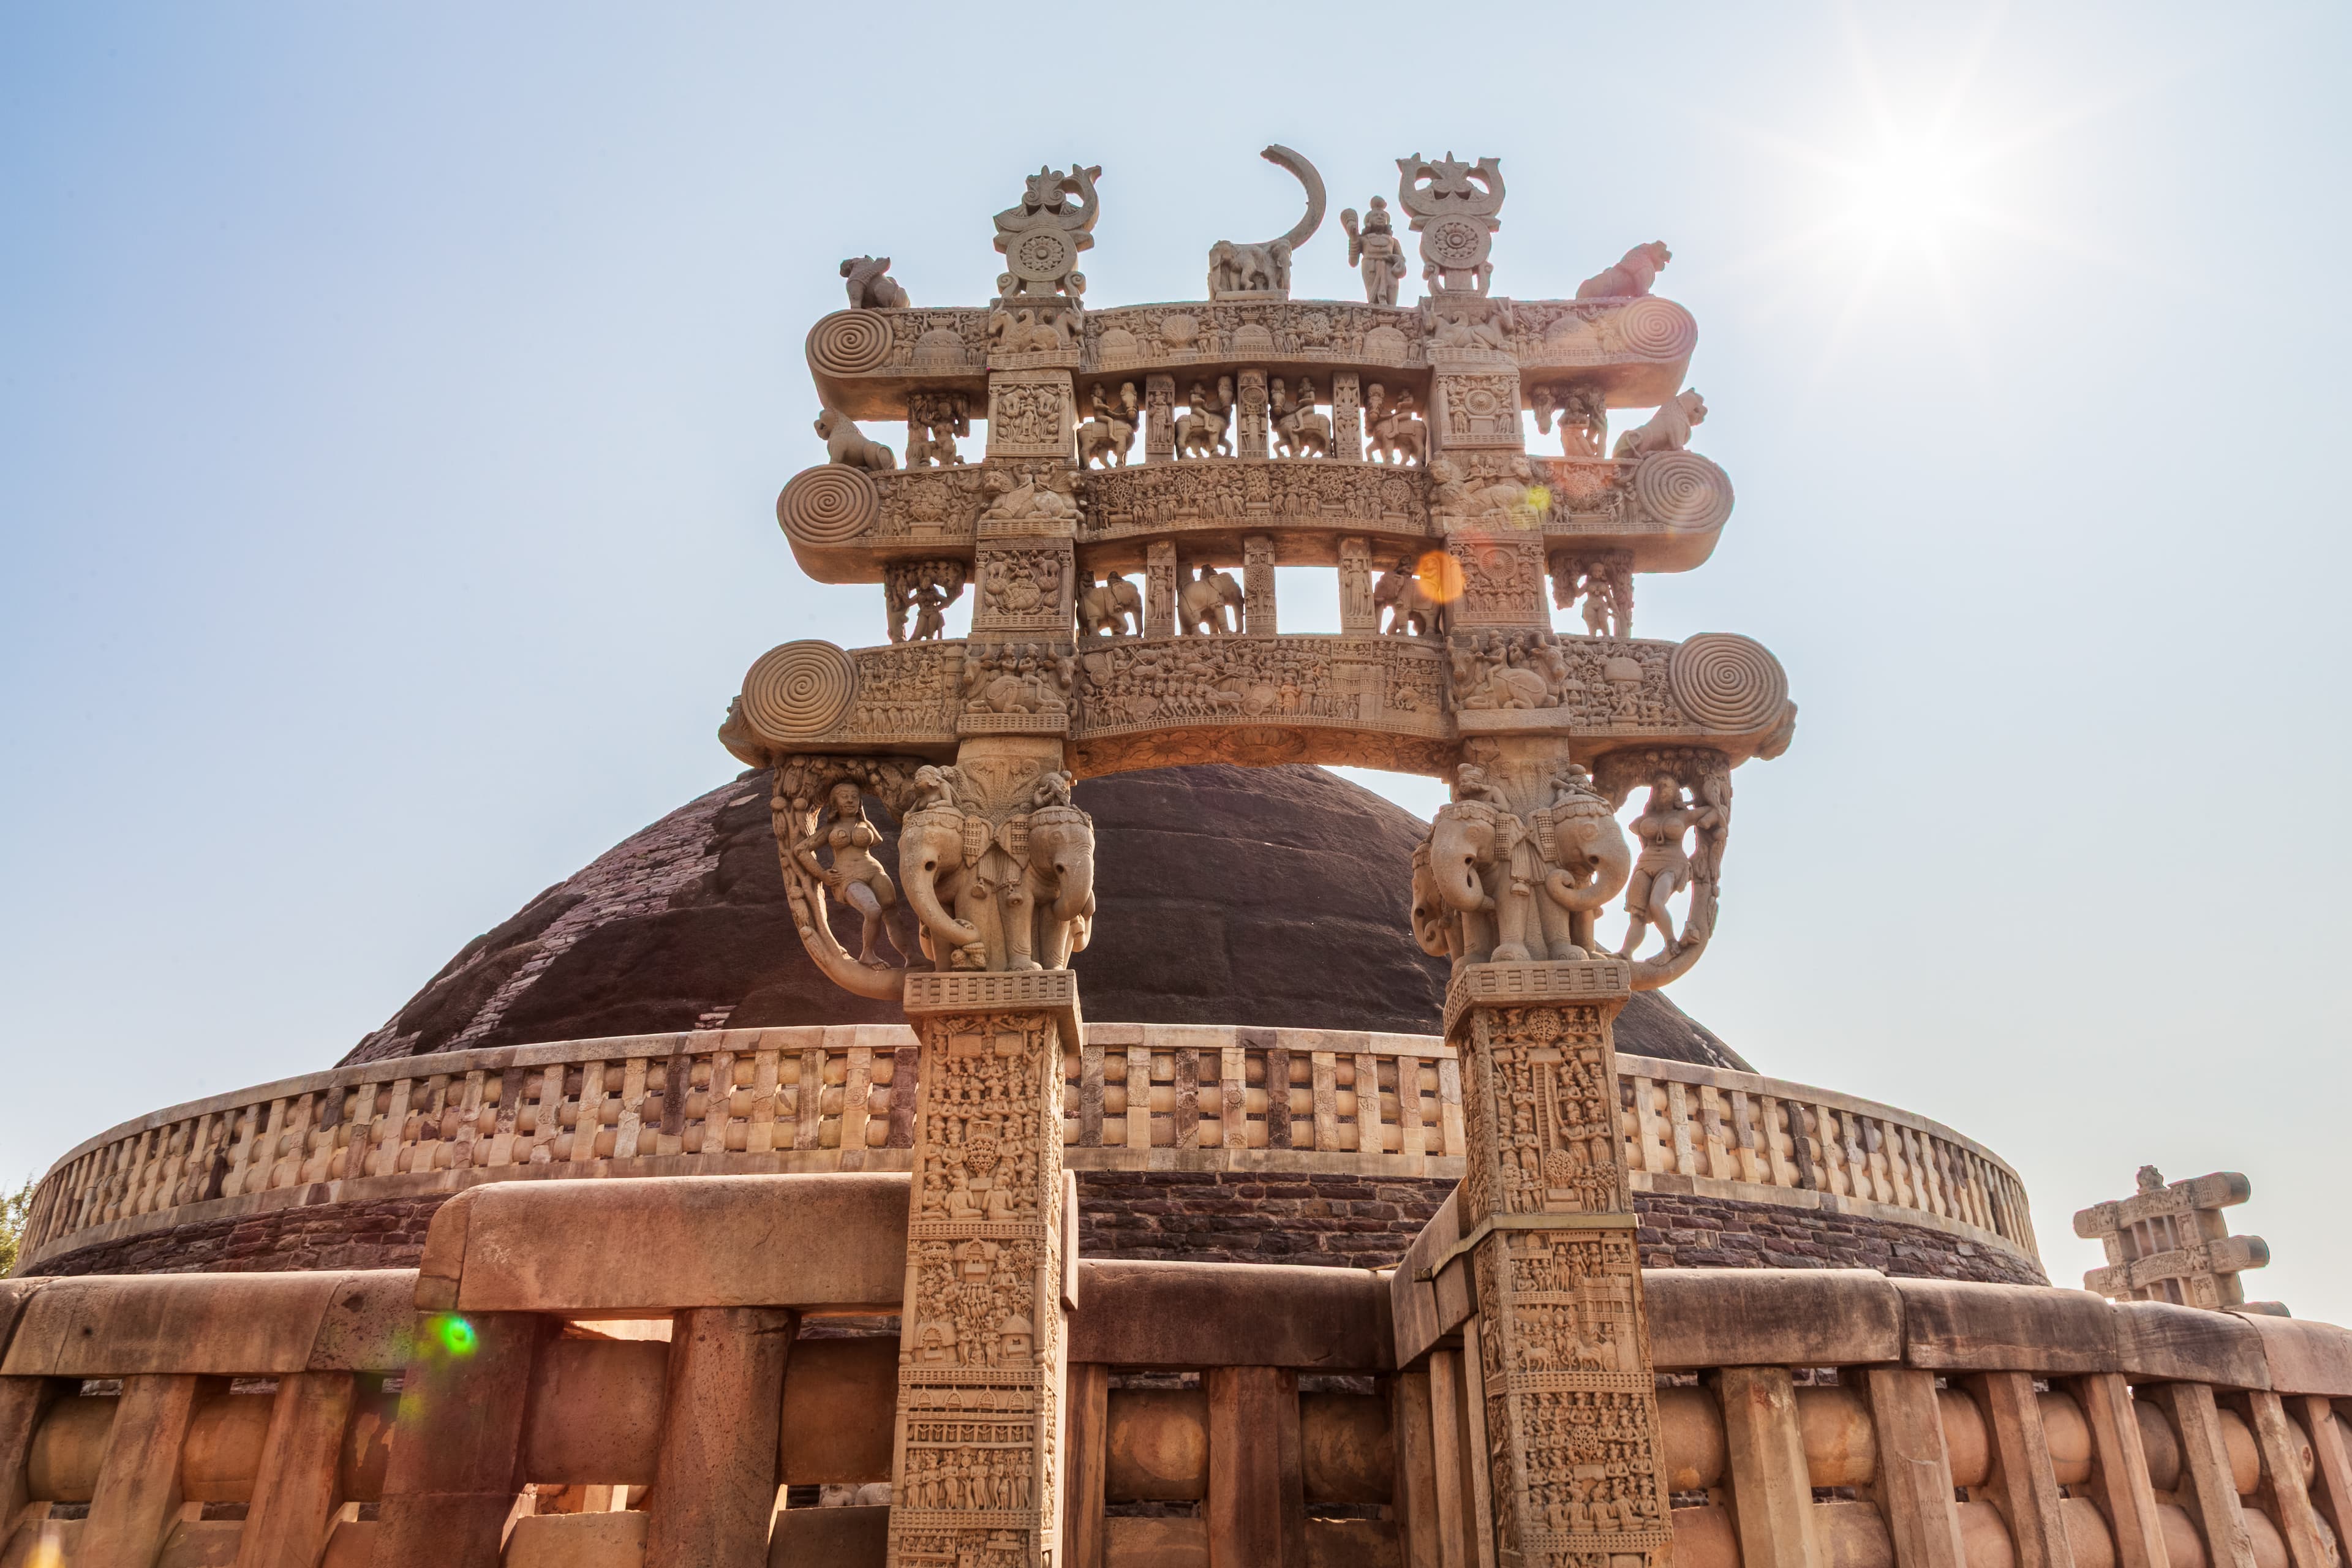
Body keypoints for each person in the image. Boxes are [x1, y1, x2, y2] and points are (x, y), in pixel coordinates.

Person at [793, 780, 903, 968]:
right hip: (846, 876)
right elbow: (801, 850)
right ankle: (867, 954)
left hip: (874, 870)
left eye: (855, 797)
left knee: (892, 913)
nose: (850, 801)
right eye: (845, 797)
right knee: (873, 910)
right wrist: (822, 874)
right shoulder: (830, 829)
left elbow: (877, 840)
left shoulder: (864, 823)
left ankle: (911, 955)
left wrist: (863, 820)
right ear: (835, 803)